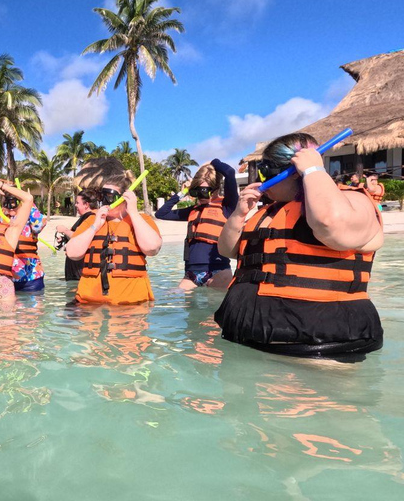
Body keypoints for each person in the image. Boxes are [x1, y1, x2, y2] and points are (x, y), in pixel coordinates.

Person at [215, 132, 384, 359]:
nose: (262, 179)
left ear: (292, 170)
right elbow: (227, 250)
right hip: (247, 338)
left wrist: (313, 171)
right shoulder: (268, 212)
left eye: (267, 171)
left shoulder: (354, 201)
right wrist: (239, 214)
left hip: (319, 350)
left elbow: (332, 226)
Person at [66, 166, 163, 305]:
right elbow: (72, 253)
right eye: (102, 197)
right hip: (88, 303)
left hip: (130, 306)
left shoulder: (141, 221)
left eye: (109, 196)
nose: (104, 201)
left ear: (124, 199)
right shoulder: (91, 221)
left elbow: (152, 248)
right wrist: (94, 227)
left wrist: (133, 213)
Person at [155, 159, 239, 290]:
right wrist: (183, 192)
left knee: (216, 309)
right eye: (196, 191)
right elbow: (161, 214)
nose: (199, 195)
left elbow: (229, 172)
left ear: (215, 189)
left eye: (204, 191)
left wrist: (212, 162)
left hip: (218, 270)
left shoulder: (227, 206)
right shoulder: (192, 211)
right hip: (190, 273)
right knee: (175, 300)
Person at [3, 190, 47, 292]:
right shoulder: (2, 218)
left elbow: (38, 226)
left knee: (34, 306)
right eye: (7, 204)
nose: (11, 207)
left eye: (14, 203)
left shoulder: (30, 217)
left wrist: (29, 205)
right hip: (9, 277)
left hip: (32, 275)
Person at [56, 190, 98, 281]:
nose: (75, 205)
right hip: (76, 267)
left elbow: (79, 238)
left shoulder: (92, 217)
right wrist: (64, 239)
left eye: (77, 203)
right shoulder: (88, 217)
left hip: (80, 268)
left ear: (86, 205)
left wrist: (65, 230)